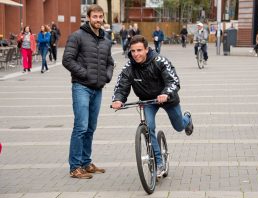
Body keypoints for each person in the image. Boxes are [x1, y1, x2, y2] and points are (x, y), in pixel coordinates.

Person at [111, 35, 194, 177]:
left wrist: (166, 93)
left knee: (179, 126)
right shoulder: (129, 67)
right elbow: (121, 85)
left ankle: (187, 119)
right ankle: (159, 163)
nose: (136, 54)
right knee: (149, 128)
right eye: (133, 51)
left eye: (139, 50)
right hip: (147, 101)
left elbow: (173, 81)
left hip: (167, 98)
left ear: (147, 49)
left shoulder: (159, 61)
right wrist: (118, 99)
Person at [62, 4, 114, 179]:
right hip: (81, 87)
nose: (98, 20)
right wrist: (86, 74)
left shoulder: (106, 39)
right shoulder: (77, 36)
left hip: (97, 89)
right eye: (95, 17)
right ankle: (75, 167)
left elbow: (110, 62)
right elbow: (67, 60)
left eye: (100, 17)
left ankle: (86, 162)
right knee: (81, 127)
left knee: (90, 128)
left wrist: (107, 76)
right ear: (88, 17)